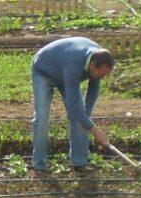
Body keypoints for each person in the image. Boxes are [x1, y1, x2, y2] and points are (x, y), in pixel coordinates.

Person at [31, 36, 115, 173]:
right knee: (42, 119)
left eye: (105, 75)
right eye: (101, 74)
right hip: (44, 71)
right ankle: (39, 165)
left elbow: (93, 90)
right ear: (92, 66)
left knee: (81, 118)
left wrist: (85, 118)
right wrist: (95, 131)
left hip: (65, 73)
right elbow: (73, 103)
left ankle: (79, 162)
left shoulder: (100, 59)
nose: (102, 77)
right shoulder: (74, 62)